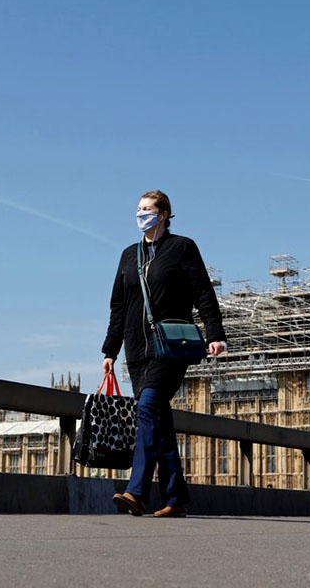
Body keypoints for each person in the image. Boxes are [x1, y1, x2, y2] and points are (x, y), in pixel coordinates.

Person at [102, 190, 226, 517]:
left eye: (147, 209)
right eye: (138, 209)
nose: (140, 214)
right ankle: (176, 497)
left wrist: (215, 334)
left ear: (163, 214)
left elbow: (203, 293)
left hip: (170, 347)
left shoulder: (182, 247)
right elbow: (118, 307)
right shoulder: (128, 255)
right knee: (158, 420)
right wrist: (110, 349)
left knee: (147, 407)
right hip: (136, 350)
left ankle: (136, 491)